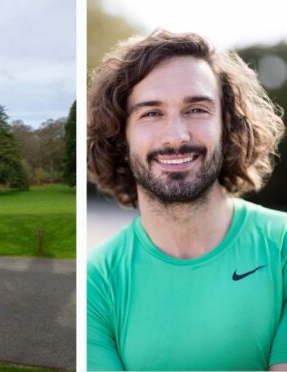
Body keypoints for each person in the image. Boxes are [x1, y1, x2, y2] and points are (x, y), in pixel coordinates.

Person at [87, 30, 287, 370]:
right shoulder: (96, 282)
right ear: (121, 134)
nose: (177, 136)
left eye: (196, 109)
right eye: (151, 113)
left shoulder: (281, 246)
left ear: (228, 125)